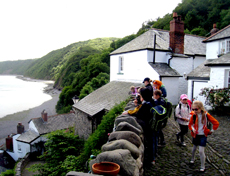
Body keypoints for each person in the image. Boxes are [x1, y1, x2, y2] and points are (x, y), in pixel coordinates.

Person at [188, 101, 219, 172]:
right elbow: (190, 124)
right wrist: (193, 129)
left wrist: (212, 131)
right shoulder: (194, 115)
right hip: (196, 135)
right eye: (193, 109)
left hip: (203, 135)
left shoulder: (206, 115)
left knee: (201, 151)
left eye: (196, 109)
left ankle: (202, 166)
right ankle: (192, 159)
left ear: (201, 108)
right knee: (194, 148)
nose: (194, 111)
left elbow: (216, 123)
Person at [133, 88, 155, 166]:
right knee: (152, 142)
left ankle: (148, 160)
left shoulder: (146, 105)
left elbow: (139, 115)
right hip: (152, 126)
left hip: (147, 127)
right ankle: (152, 158)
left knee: (148, 143)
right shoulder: (152, 102)